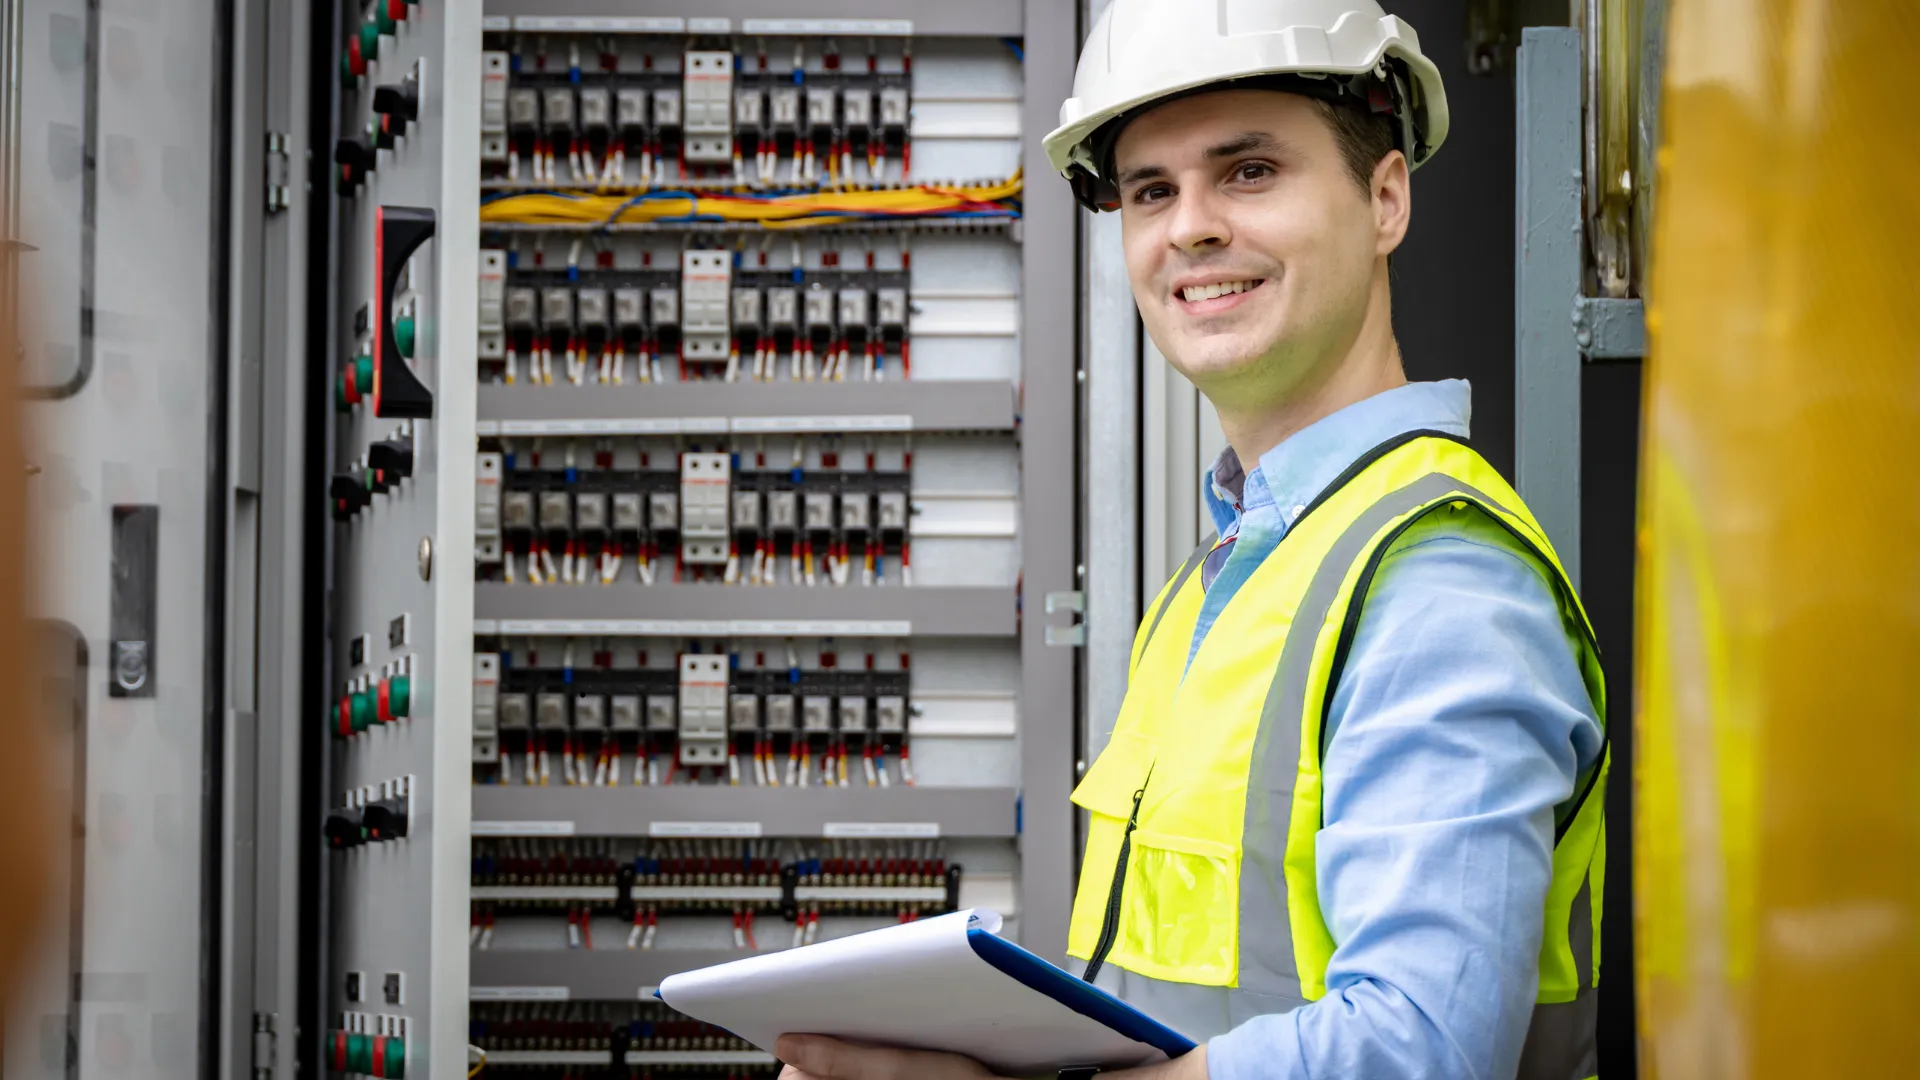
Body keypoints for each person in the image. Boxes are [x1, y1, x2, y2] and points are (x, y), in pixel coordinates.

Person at [776, 2, 1608, 1078]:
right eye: (1150, 190)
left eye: (1249, 170)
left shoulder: (1436, 583)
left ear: (1386, 197)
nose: (1190, 227)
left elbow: (1421, 1052)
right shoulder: (1226, 576)